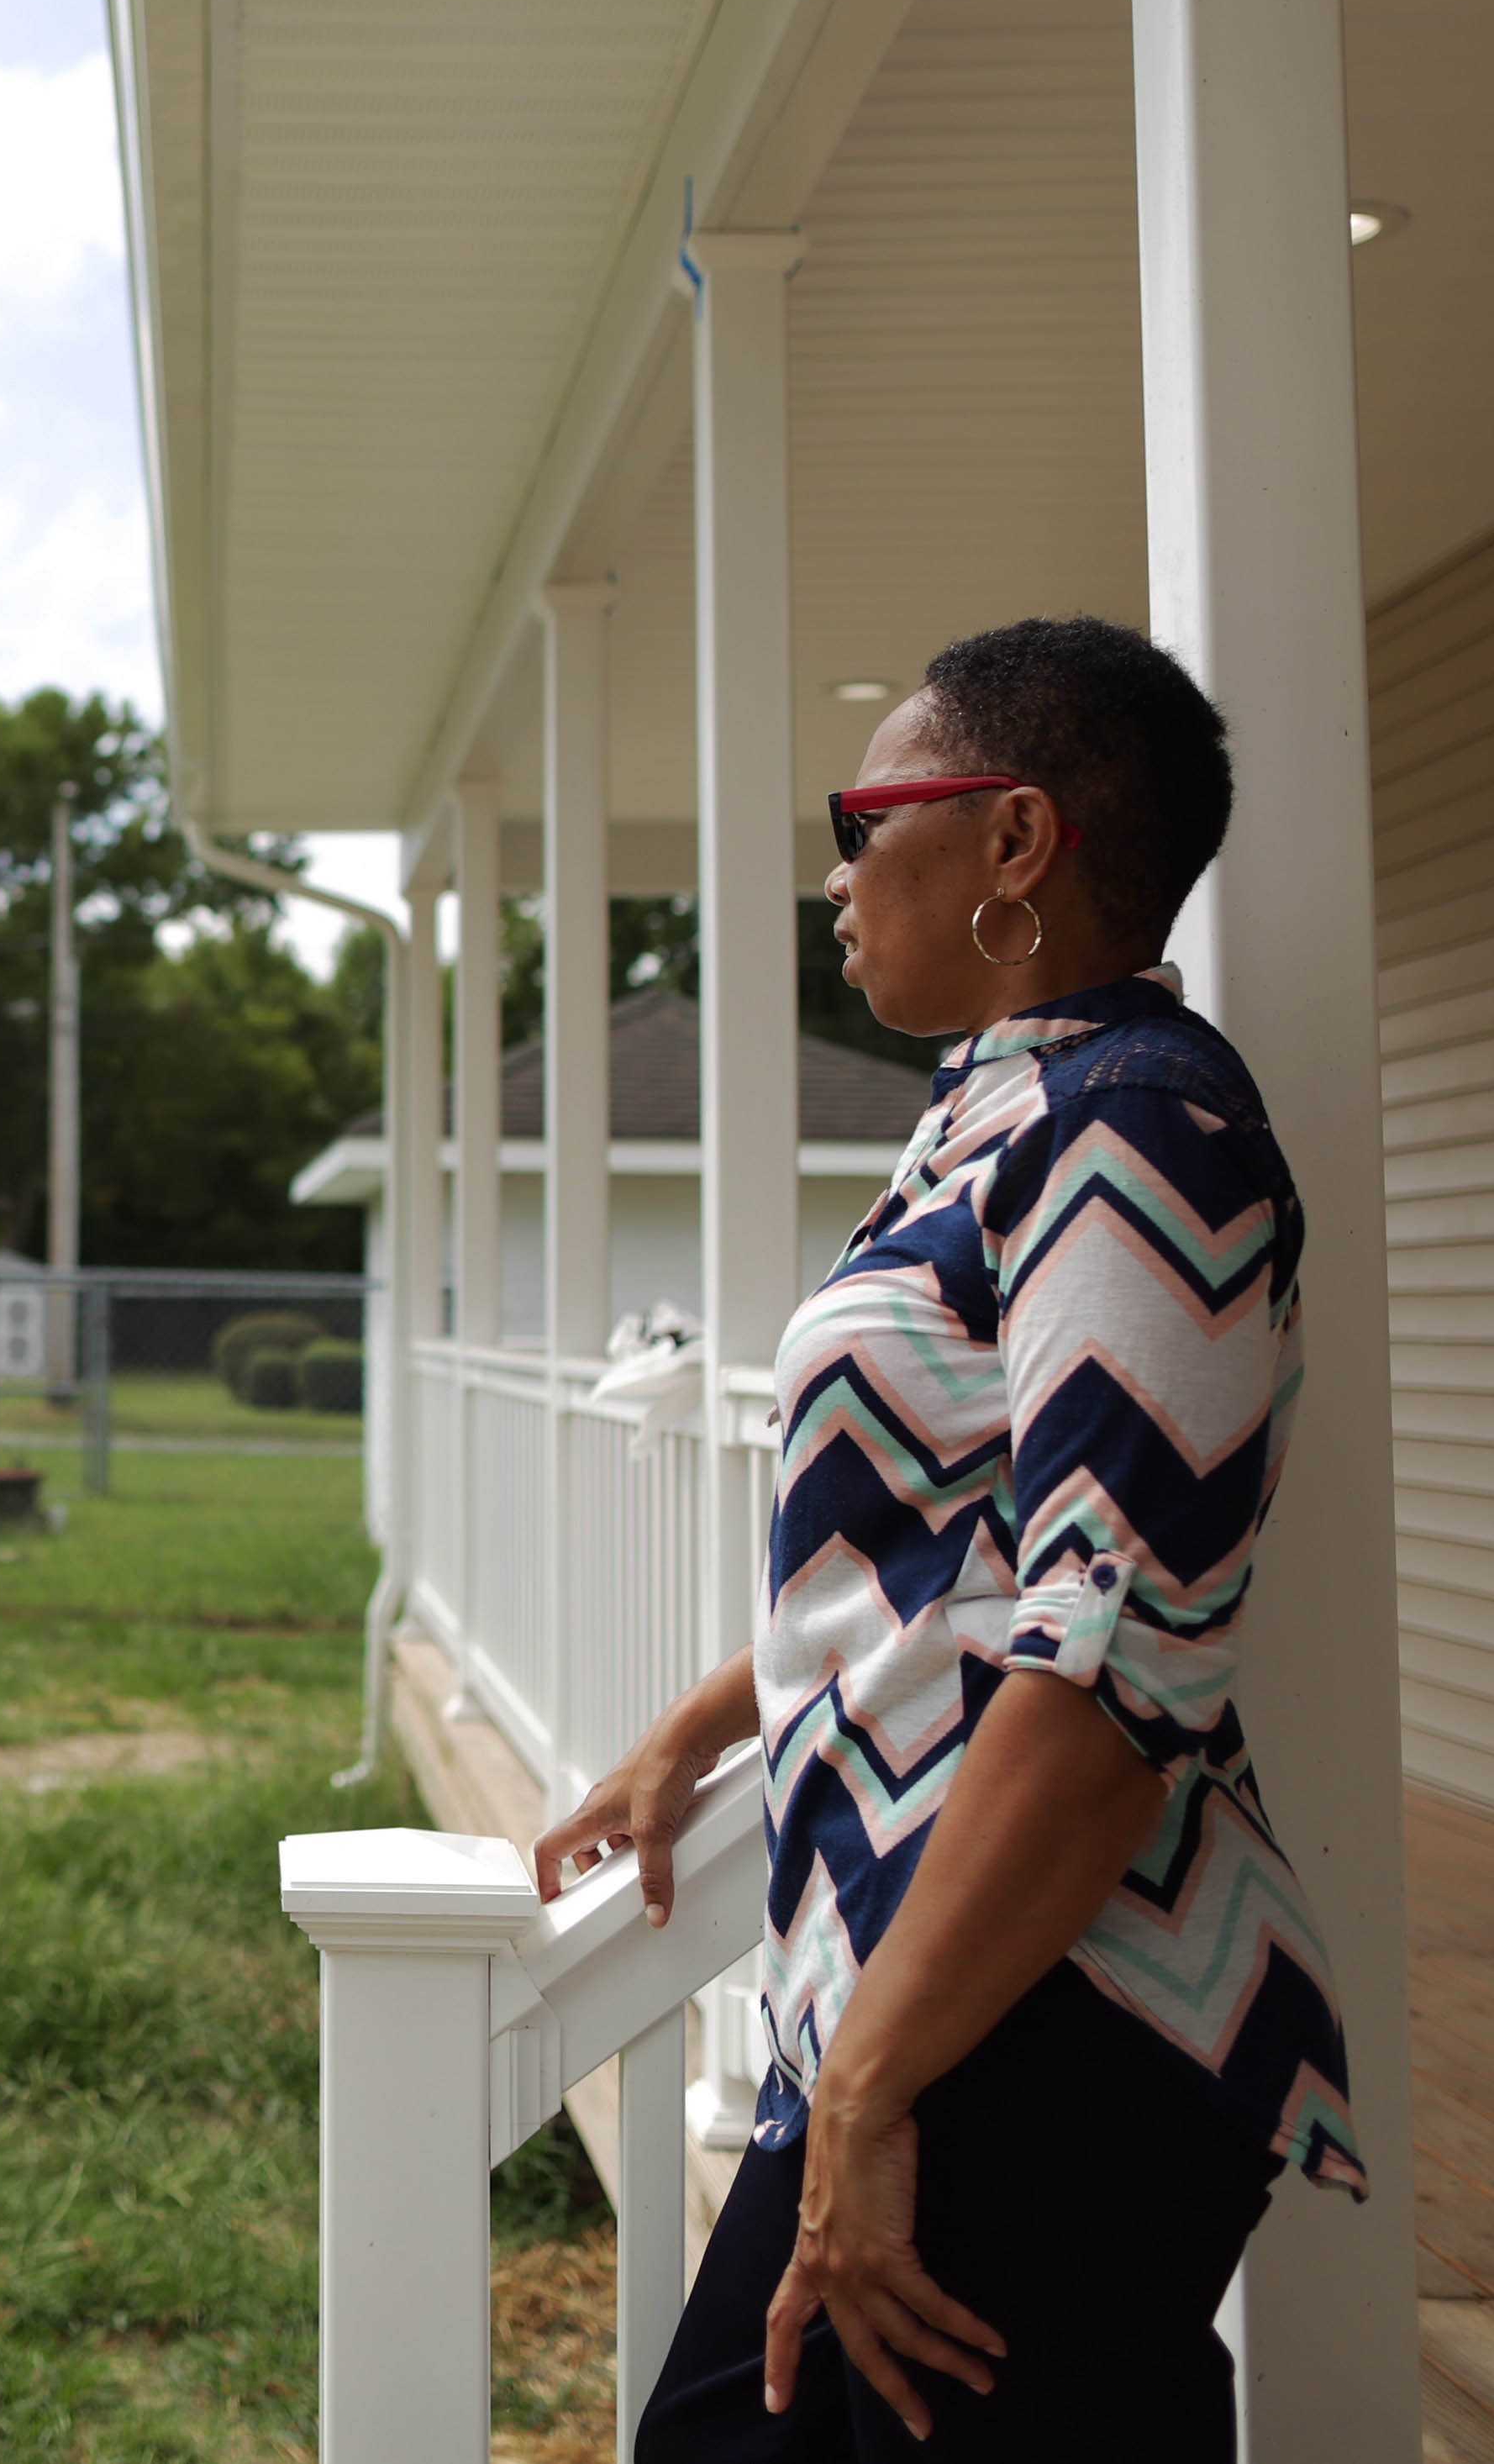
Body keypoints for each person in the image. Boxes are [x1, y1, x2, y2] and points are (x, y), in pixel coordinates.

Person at [530, 618, 1365, 2462]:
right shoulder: (1011, 1105)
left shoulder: (1143, 1129)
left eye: (860, 819)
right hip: (948, 1998)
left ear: (1015, 841)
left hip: (1055, 2015)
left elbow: (1112, 1656)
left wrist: (867, 2091)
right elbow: (944, 1555)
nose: (835, 876)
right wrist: (701, 1732)